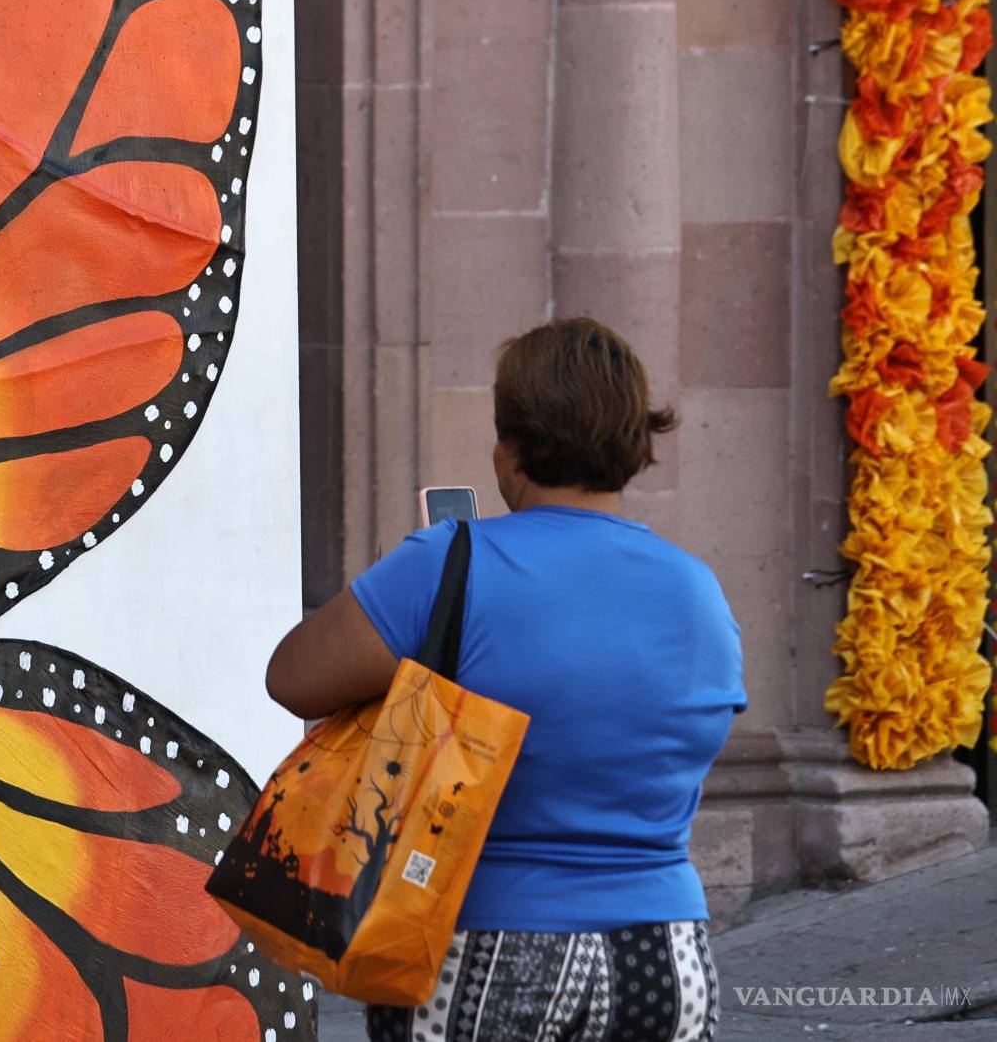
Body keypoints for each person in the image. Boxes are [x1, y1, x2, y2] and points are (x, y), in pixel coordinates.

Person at [264, 318, 746, 1042]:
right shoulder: (698, 591)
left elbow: (292, 676)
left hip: (484, 946)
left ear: (511, 446)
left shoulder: (450, 562)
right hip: (665, 954)